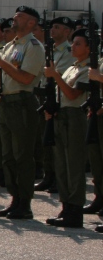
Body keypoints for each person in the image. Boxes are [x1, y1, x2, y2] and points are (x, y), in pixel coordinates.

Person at [0, 6, 46, 220]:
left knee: (23, 156)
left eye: (20, 17)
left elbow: (26, 78)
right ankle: (14, 198)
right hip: (7, 102)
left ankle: (25, 203)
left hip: (23, 102)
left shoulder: (33, 46)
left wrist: (0, 62)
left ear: (32, 23)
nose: (15, 18)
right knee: (8, 155)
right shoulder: (11, 46)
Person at [42, 28, 90, 227]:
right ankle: (66, 206)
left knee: (74, 166)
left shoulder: (87, 70)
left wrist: (55, 76)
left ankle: (75, 210)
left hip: (76, 117)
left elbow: (72, 94)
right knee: (61, 165)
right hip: (62, 116)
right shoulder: (73, 67)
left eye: (78, 43)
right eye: (73, 43)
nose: (73, 46)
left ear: (89, 48)